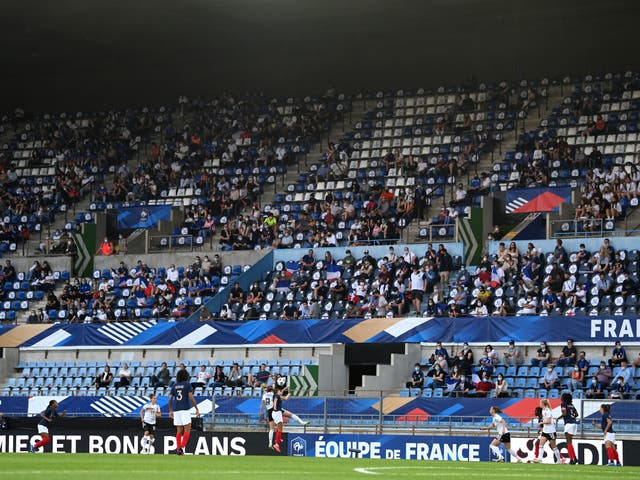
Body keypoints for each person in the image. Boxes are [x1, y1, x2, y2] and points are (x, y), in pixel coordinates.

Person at [168, 369, 200, 455]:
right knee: (187, 430)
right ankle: (181, 447)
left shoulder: (174, 385)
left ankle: (178, 448)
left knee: (179, 431)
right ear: (186, 376)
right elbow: (191, 397)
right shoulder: (187, 385)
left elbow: (170, 398)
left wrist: (171, 410)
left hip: (176, 409)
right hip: (185, 409)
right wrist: (196, 408)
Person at [535, 399, 561, 464]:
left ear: (543, 404)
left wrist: (541, 423)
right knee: (541, 445)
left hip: (551, 431)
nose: (540, 404)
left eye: (540, 403)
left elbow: (549, 421)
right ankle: (539, 459)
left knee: (554, 447)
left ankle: (559, 460)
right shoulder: (544, 411)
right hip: (545, 431)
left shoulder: (548, 411)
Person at [560, 392, 579, 464]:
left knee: (568, 442)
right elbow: (577, 414)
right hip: (574, 423)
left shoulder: (563, 404)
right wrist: (572, 417)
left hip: (568, 424)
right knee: (570, 442)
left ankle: (571, 459)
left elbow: (564, 413)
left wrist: (558, 418)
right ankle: (574, 458)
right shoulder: (571, 405)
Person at [259, 385, 276, 449]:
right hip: (274, 410)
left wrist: (260, 412)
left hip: (269, 411)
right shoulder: (273, 394)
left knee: (271, 429)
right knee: (280, 423)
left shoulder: (264, 395)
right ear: (272, 390)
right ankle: (278, 440)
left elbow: (262, 404)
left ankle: (270, 442)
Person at [271, 385, 286, 453]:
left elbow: (283, 396)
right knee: (280, 428)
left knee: (280, 427)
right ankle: (276, 444)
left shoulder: (277, 395)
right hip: (277, 412)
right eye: (280, 391)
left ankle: (278, 439)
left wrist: (284, 389)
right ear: (277, 391)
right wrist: (274, 407)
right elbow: (275, 400)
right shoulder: (276, 395)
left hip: (276, 413)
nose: (281, 392)